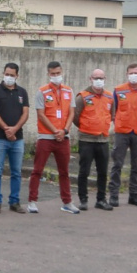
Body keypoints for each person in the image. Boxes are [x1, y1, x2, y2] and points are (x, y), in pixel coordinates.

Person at [28, 61, 79, 214]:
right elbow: (41, 114)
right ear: (48, 74)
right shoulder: (42, 92)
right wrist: (55, 131)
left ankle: (67, 202)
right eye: (53, 74)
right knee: (37, 170)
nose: (56, 76)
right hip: (46, 137)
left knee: (64, 172)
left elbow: (71, 113)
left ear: (62, 72)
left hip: (63, 137)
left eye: (58, 73)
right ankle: (32, 201)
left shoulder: (69, 91)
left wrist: (64, 130)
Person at [0, 63, 30, 214]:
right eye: (7, 74)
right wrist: (7, 129)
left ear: (17, 76)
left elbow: (25, 113)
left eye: (12, 75)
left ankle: (15, 201)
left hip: (17, 139)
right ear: (3, 73)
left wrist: (14, 129)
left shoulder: (22, 92)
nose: (9, 77)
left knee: (16, 172)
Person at [109, 63, 137, 208]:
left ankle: (134, 195)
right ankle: (114, 195)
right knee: (117, 164)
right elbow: (113, 111)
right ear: (127, 74)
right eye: (131, 73)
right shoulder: (119, 90)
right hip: (122, 131)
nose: (134, 75)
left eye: (136, 73)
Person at [73, 69, 114, 211]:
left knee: (103, 172)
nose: (98, 80)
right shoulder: (82, 97)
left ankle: (101, 200)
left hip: (103, 140)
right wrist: (86, 127)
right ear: (90, 79)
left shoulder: (109, 97)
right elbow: (75, 117)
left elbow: (112, 115)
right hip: (86, 140)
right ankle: (83, 199)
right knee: (84, 171)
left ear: (105, 79)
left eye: (101, 78)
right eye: (96, 78)